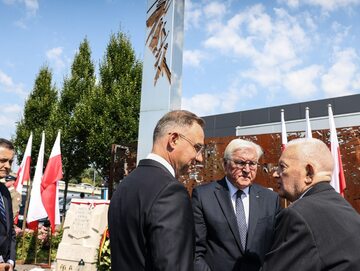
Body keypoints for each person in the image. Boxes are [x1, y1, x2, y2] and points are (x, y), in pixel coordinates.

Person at [108, 110, 205, 271]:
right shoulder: (171, 191)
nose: (200, 157)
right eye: (197, 147)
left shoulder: (125, 186)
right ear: (173, 139)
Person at [262, 138, 360, 271]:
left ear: (308, 173)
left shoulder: (297, 215)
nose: (275, 174)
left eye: (282, 167)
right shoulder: (344, 207)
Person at [192, 138, 281, 271]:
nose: (246, 169)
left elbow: (277, 247)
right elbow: (195, 250)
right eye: (240, 163)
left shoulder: (270, 199)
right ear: (225, 164)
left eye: (252, 163)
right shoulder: (203, 196)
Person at [0, 139, 17, 271]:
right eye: (2, 160)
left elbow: (10, 230)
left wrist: (10, 261)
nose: (7, 166)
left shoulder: (5, 191)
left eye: (10, 161)